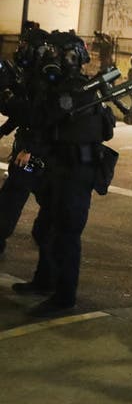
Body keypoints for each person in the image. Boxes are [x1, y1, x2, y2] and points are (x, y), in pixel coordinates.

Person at [12, 30, 116, 317]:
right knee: (45, 228)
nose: (50, 59)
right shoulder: (64, 90)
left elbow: (46, 120)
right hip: (59, 169)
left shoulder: (78, 91)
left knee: (65, 235)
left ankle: (64, 296)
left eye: (55, 54)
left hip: (75, 172)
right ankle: (45, 281)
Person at [0, 25, 49, 261]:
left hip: (34, 155)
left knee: (14, 195)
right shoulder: (32, 76)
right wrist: (3, 130)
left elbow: (42, 118)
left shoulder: (45, 80)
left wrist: (30, 148)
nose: (21, 50)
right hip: (32, 150)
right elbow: (24, 114)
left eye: (25, 46)